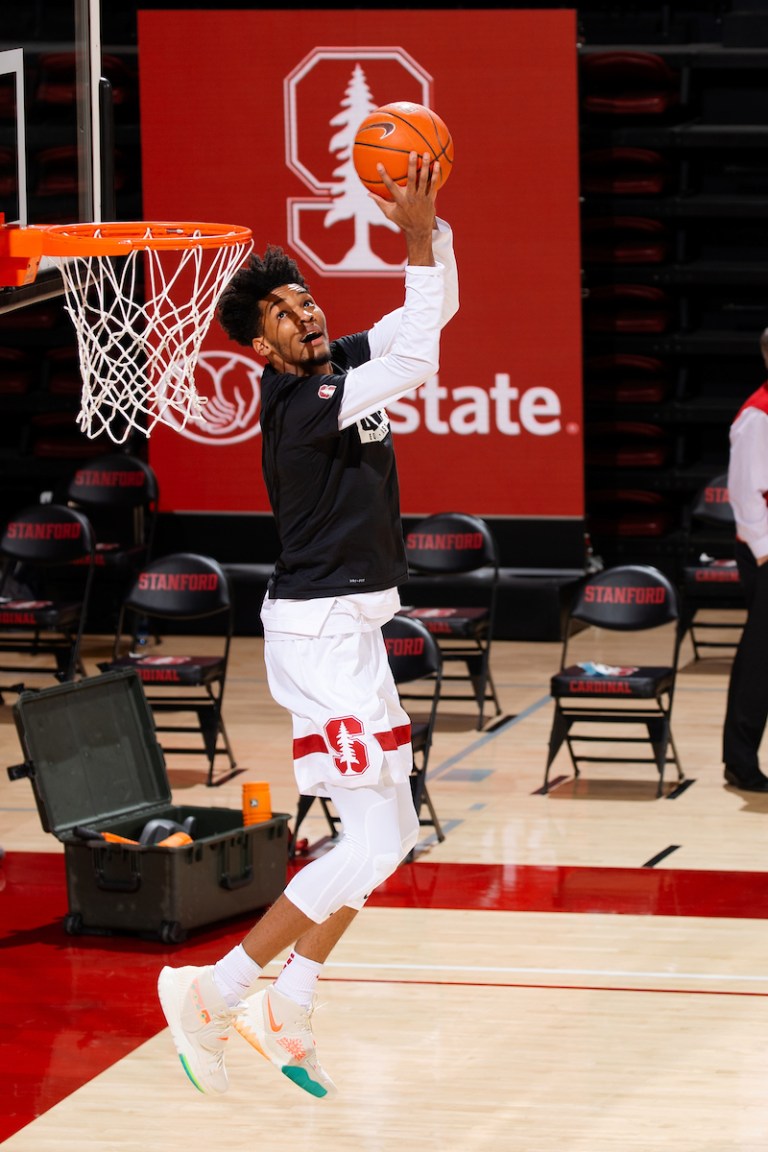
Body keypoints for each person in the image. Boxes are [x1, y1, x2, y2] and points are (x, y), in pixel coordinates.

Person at [157, 151, 458, 1099]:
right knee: (368, 840)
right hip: (319, 639)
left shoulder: (338, 363)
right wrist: (411, 234)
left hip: (349, 632)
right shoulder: (302, 404)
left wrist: (431, 235)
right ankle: (213, 990)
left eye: (304, 297)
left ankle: (293, 993)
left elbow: (425, 322)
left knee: (394, 830)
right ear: (261, 346)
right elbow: (416, 356)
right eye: (281, 312)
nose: (305, 311)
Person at [722, 328, 768, 792]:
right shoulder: (757, 415)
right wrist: (765, 553)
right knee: (761, 660)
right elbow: (744, 493)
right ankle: (740, 760)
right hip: (765, 550)